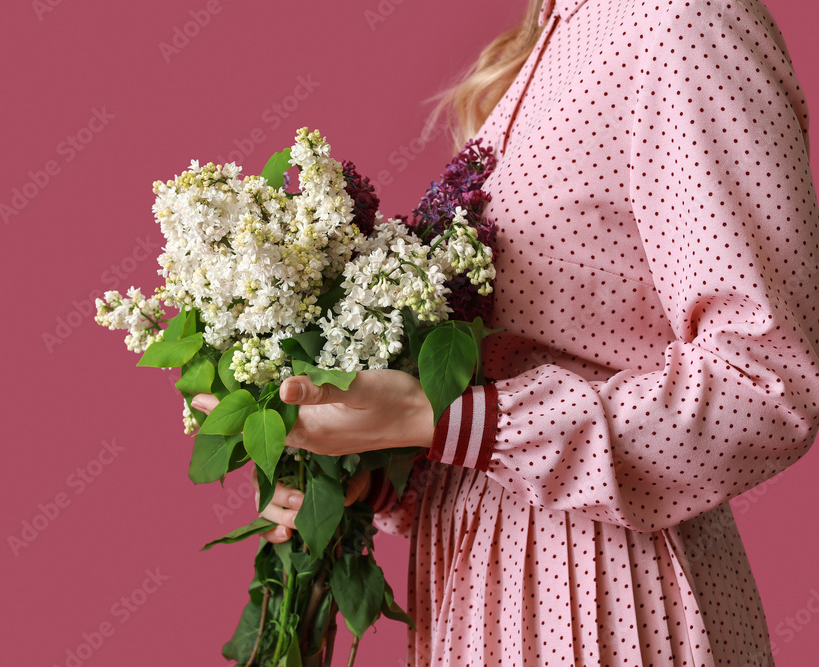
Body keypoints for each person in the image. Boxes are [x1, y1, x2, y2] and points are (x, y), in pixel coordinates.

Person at [194, 0, 819, 663]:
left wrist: (450, 418)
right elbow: (508, 402)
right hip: (480, 599)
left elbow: (771, 383)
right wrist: (369, 464)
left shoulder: (684, 20)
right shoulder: (555, 36)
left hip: (606, 608)